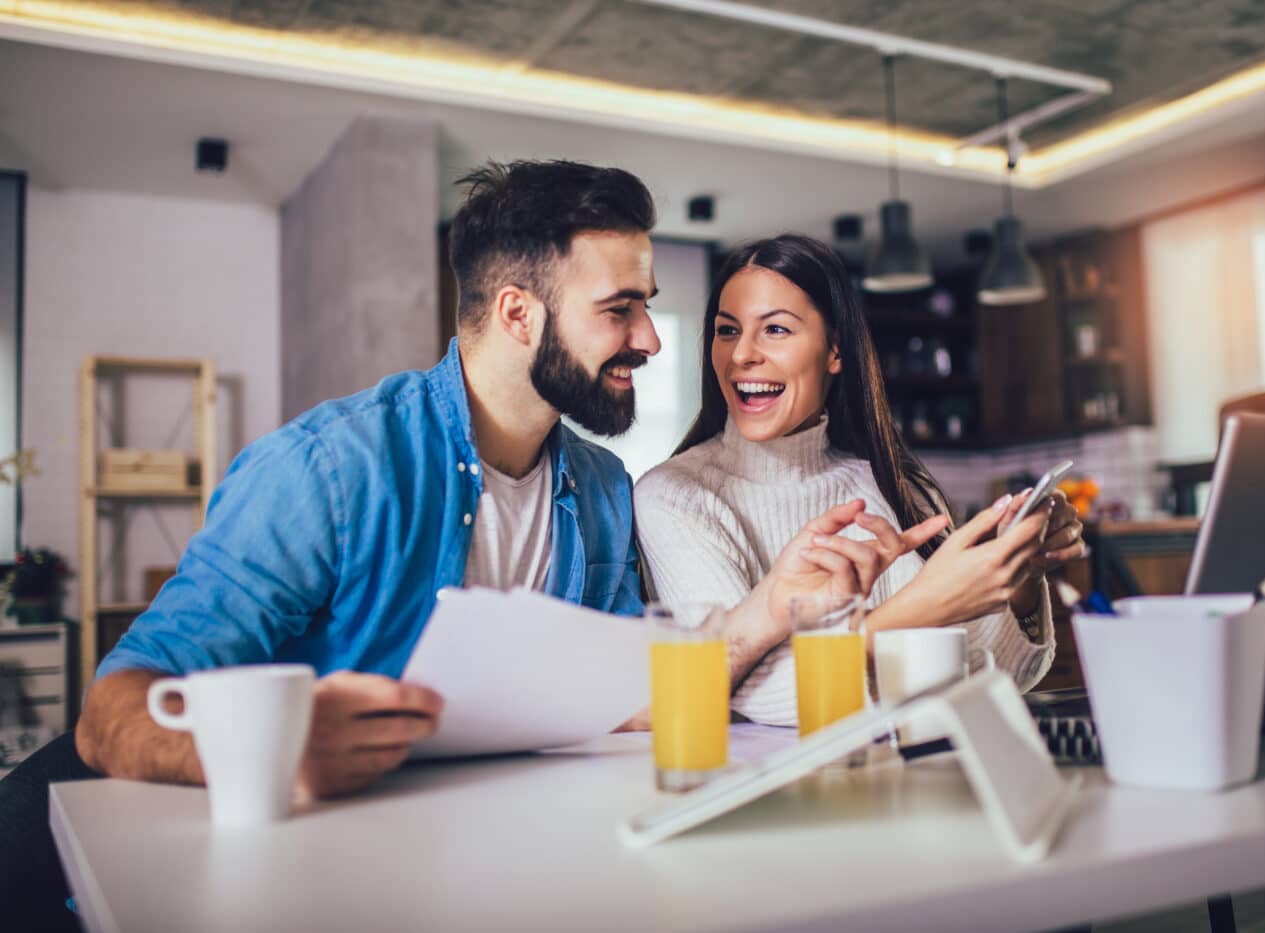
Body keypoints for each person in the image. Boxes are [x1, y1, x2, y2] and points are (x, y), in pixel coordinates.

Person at [1, 158, 671, 929]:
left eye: (646, 307)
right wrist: (274, 751)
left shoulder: (605, 490)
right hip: (294, 887)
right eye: (620, 309)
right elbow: (113, 710)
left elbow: (622, 697)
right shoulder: (330, 469)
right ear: (519, 314)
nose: (649, 338)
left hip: (500, 869)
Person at [634, 234, 1085, 726]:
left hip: (911, 776)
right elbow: (755, 697)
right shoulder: (675, 497)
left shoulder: (901, 487)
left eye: (776, 330)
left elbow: (1005, 675)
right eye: (727, 330)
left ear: (834, 351)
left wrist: (1016, 573)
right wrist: (922, 608)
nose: (741, 354)